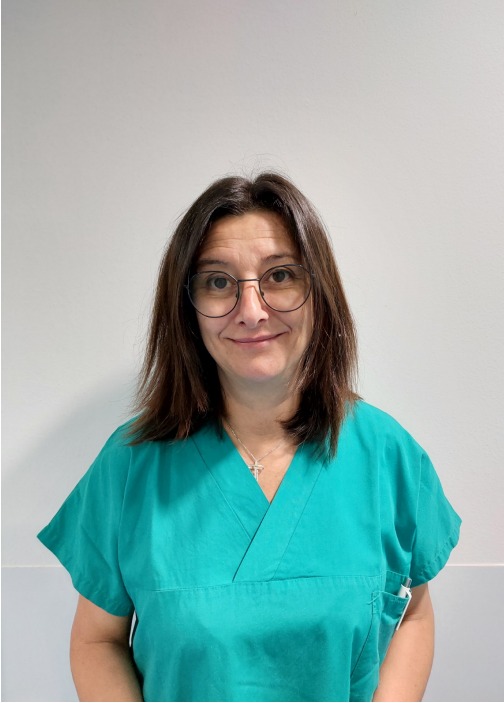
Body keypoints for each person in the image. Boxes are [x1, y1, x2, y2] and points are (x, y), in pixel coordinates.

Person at [38, 172, 461, 702]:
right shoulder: (132, 464)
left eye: (280, 275)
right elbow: (97, 640)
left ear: (319, 292)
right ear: (187, 308)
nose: (253, 310)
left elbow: (414, 615)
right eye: (218, 282)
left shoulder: (385, 455)